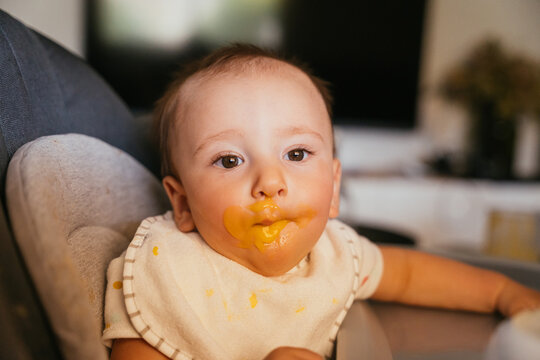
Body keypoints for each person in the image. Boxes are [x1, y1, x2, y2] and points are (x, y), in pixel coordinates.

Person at [102, 44, 540, 360]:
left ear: (333, 187)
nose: (270, 183)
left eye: (296, 154)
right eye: (229, 159)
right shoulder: (166, 268)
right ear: (181, 203)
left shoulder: (334, 254)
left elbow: (408, 274)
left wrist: (502, 292)